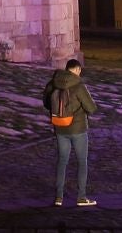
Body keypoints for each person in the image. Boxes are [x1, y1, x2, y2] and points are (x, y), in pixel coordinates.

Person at [41, 58, 99, 207]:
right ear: (78, 70)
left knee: (62, 161)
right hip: (78, 129)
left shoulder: (53, 83)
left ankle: (58, 198)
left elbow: (47, 103)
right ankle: (81, 197)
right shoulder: (79, 86)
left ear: (67, 69)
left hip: (60, 128)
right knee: (82, 162)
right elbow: (91, 108)